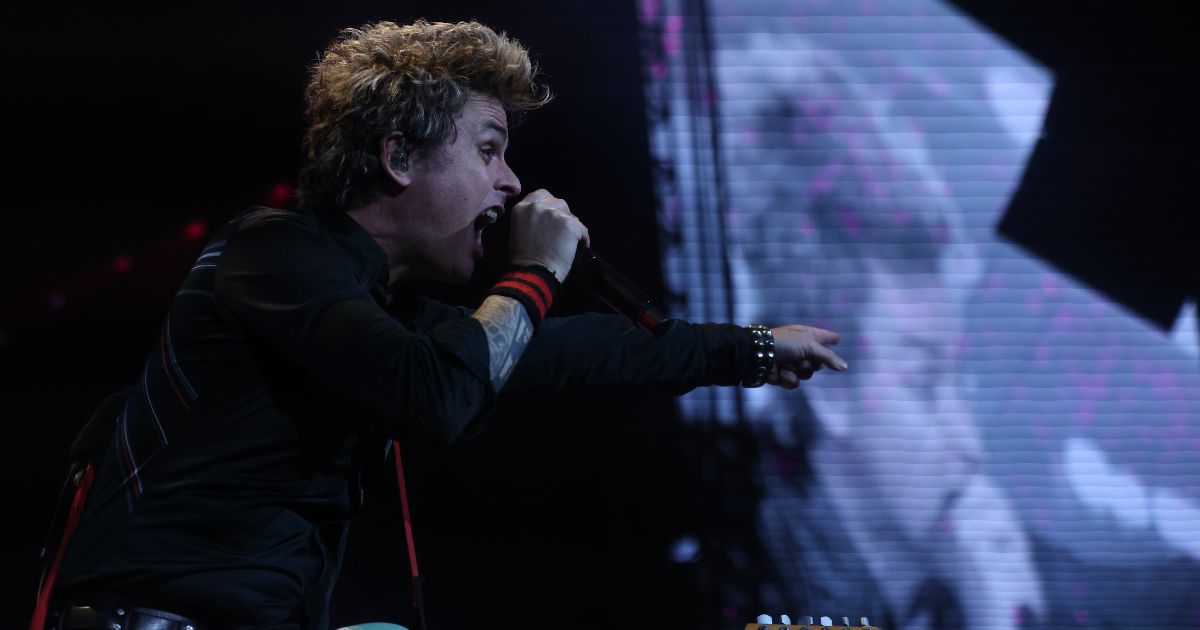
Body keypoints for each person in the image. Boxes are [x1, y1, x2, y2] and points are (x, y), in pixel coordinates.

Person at [39, 19, 847, 630]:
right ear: (399, 158)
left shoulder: (387, 314)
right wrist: (532, 275)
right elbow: (441, 393)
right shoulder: (269, 254)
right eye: (488, 150)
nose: (511, 180)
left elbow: (571, 350)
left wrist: (754, 347)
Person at [712, 33, 1043, 629]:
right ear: (830, 390)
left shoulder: (1008, 565)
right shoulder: (739, 563)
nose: (969, 445)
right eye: (922, 384)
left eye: (958, 384)